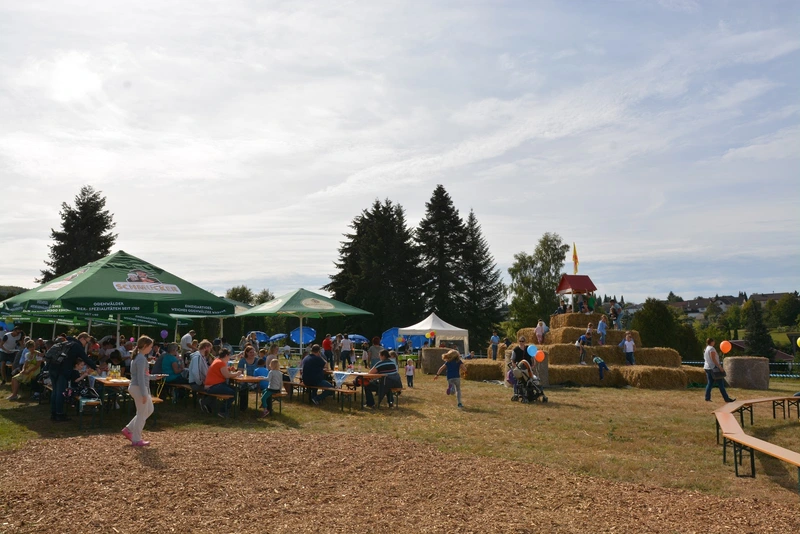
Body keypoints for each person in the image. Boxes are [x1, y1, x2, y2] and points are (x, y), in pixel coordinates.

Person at [50, 332, 97, 422]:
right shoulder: (77, 346)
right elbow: (85, 358)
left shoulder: (66, 342)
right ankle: (59, 414)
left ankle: (54, 413)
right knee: (60, 392)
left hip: (53, 368)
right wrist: (96, 368)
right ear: (82, 338)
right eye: (86, 342)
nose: (86, 344)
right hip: (62, 370)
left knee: (55, 391)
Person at [121, 336, 155, 447]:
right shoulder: (141, 359)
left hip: (138, 387)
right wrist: (144, 393)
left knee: (149, 410)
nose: (151, 348)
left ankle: (129, 429)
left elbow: (143, 375)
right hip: (139, 388)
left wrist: (154, 377)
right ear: (145, 346)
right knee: (142, 413)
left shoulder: (139, 358)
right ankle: (136, 439)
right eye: (150, 346)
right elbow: (140, 377)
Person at [202, 348, 239, 417]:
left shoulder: (217, 360)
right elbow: (227, 375)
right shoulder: (221, 363)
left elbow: (221, 370)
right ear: (225, 355)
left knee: (234, 389)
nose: (229, 358)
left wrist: (229, 369)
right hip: (213, 386)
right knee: (233, 392)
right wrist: (237, 373)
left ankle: (207, 402)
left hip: (210, 385)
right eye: (229, 356)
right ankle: (223, 411)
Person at [704, 338, 735, 403]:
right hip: (713, 368)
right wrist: (719, 366)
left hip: (707, 367)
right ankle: (726, 399)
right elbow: (713, 359)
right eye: (713, 341)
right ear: (711, 342)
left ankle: (707, 398)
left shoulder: (706, 348)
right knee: (720, 384)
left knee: (710, 383)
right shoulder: (711, 349)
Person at [236, 344, 259, 411]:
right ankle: (243, 408)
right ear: (246, 353)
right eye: (250, 352)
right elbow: (239, 372)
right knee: (243, 387)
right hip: (245, 381)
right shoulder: (242, 361)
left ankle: (267, 408)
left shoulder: (257, 360)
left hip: (256, 381)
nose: (252, 354)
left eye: (253, 352)